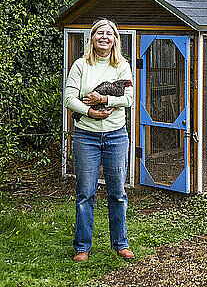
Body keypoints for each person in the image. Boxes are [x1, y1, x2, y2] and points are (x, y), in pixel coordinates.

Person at [64, 18, 135, 262]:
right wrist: (90, 112)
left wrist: (104, 101)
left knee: (117, 192)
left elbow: (129, 99)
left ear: (115, 39)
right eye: (99, 33)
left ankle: (121, 243)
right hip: (86, 136)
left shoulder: (122, 66)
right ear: (92, 38)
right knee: (86, 192)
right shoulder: (80, 65)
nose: (104, 37)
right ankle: (82, 246)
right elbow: (70, 98)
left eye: (109, 33)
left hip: (116, 135)